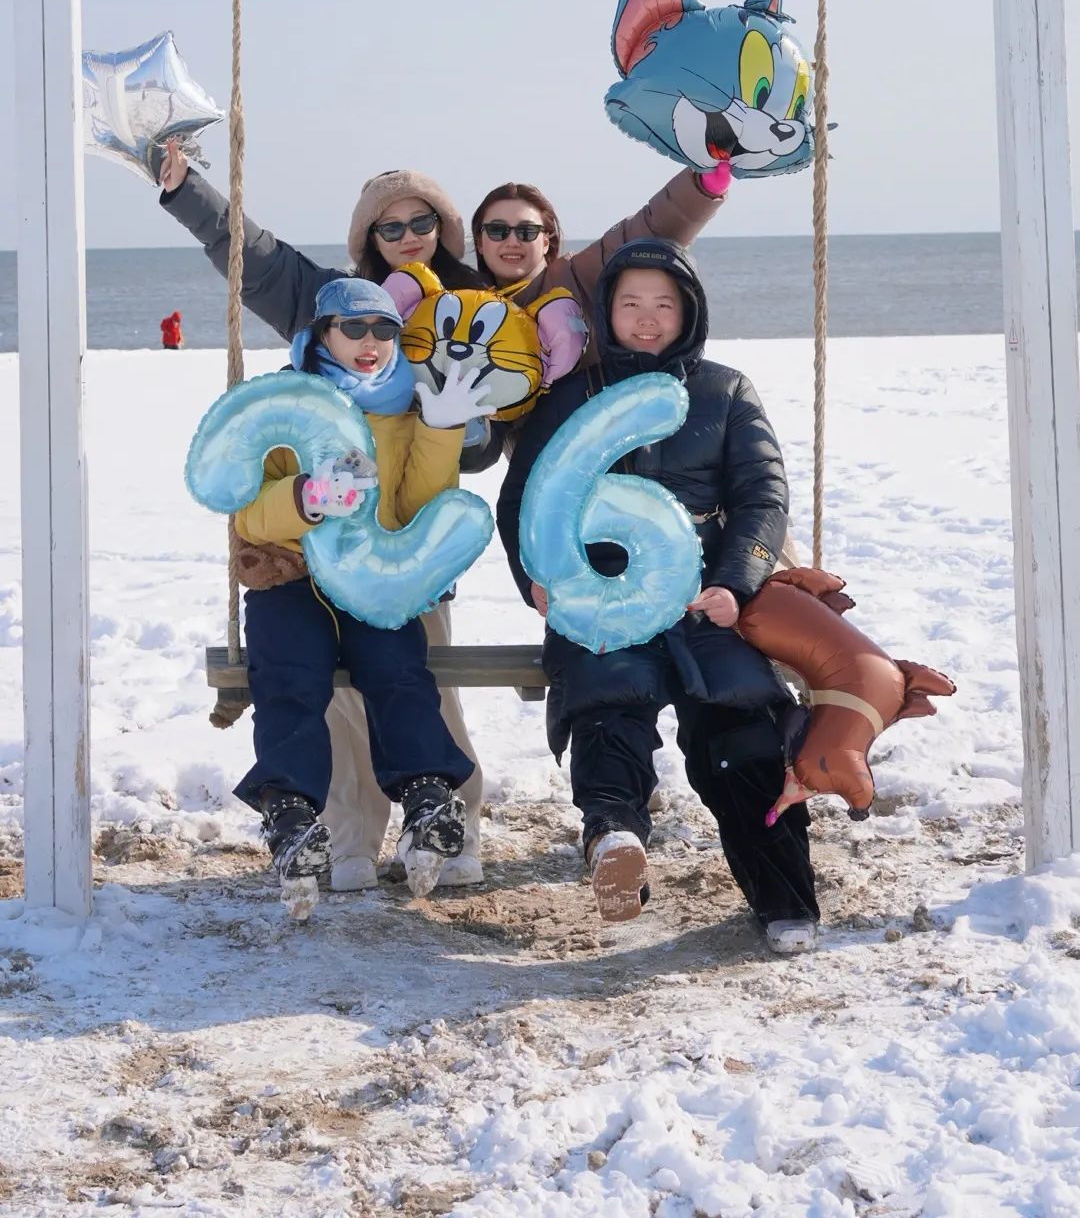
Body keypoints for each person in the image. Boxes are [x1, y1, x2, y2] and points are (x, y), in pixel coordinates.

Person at [158, 143, 491, 891]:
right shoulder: (300, 380)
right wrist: (187, 191)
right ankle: (338, 837)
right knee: (315, 692)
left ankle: (443, 820)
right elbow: (257, 258)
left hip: (396, 566)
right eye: (389, 225)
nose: (408, 235)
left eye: (422, 221)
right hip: (297, 569)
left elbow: (424, 490)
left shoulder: (470, 305)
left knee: (411, 682)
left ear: (445, 227)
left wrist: (444, 428)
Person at [496, 237, 820, 957]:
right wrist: (539, 579)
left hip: (705, 596)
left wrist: (735, 583)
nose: (647, 319)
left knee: (740, 733)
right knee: (608, 712)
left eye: (664, 305)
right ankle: (615, 842)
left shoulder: (725, 391)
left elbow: (763, 498)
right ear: (606, 311)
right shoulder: (573, 396)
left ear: (689, 312)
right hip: (600, 593)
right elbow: (521, 501)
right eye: (631, 303)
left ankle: (784, 898)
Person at [232, 274, 493, 907]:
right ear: (323, 334)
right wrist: (307, 497)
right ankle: (292, 811)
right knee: (288, 679)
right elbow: (248, 517)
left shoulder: (402, 409)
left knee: (397, 671)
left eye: (384, 329)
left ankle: (428, 795)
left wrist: (439, 432)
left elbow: (416, 507)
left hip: (371, 576)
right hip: (292, 575)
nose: (370, 341)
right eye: (353, 328)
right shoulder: (285, 408)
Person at [470, 171, 727, 355]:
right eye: (497, 231)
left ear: (546, 241)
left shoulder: (575, 278)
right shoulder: (459, 307)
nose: (512, 241)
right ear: (480, 242)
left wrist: (702, 186)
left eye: (526, 231)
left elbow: (646, 230)